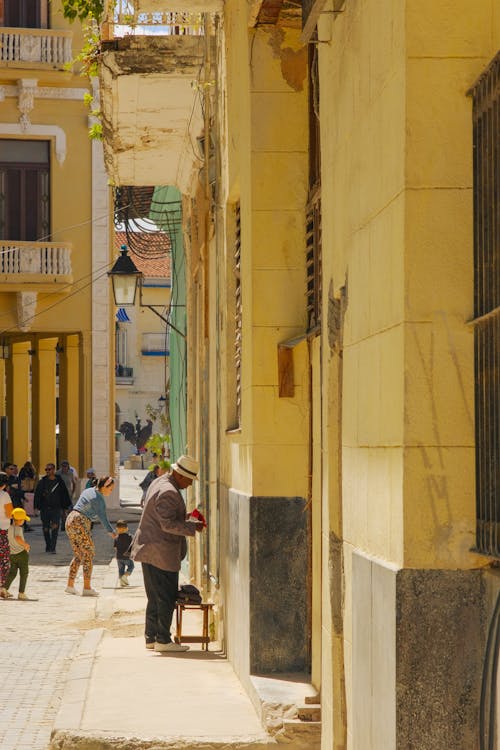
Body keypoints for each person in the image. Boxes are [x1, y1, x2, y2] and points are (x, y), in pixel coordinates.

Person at [130, 455, 204, 652]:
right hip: (160, 552)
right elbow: (167, 524)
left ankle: (151, 637)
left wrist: (186, 518)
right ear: (180, 475)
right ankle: (163, 639)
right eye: (189, 480)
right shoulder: (169, 492)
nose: (189, 484)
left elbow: (162, 515)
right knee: (166, 596)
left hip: (149, 549)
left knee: (154, 596)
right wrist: (191, 526)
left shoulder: (160, 481)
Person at [65, 477, 117, 596]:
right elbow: (103, 519)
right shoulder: (98, 499)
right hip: (80, 521)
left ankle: (70, 585)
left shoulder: (89, 490)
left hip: (70, 519)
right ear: (104, 487)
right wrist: (112, 532)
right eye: (111, 489)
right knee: (89, 552)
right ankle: (87, 587)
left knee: (79, 554)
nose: (111, 491)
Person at [34, 463, 72, 553]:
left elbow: (64, 494)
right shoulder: (42, 482)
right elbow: (37, 495)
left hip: (56, 508)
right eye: (46, 469)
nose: (47, 471)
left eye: (49, 469)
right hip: (44, 508)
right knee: (46, 528)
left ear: (54, 470)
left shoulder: (59, 481)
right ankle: (48, 544)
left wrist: (66, 507)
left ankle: (53, 547)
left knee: (55, 527)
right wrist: (36, 507)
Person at [4, 507, 31, 600]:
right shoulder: (18, 529)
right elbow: (18, 538)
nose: (24, 521)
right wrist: (26, 545)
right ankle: (21, 593)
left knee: (12, 572)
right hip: (21, 554)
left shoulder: (8, 528)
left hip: (11, 554)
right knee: (24, 573)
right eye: (23, 519)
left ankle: (4, 588)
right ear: (19, 520)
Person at [0, 473, 13, 599]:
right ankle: (2, 588)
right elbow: (9, 514)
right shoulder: (4, 496)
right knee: (3, 560)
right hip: (1, 531)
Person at [56, 460, 77, 531]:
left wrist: (73, 492)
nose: (64, 468)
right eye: (63, 466)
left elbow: (74, 483)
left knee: (69, 510)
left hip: (68, 494)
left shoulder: (70, 473)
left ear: (68, 466)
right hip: (60, 494)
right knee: (62, 510)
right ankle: (63, 524)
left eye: (65, 466)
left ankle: (68, 523)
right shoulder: (58, 473)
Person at [114, 520, 134, 587]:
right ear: (126, 528)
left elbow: (115, 548)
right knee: (131, 566)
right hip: (127, 556)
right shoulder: (130, 537)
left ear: (117, 529)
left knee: (121, 570)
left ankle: (122, 582)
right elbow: (133, 546)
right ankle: (124, 577)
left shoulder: (116, 537)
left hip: (119, 557)